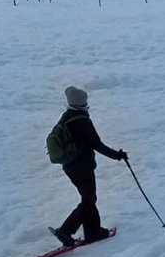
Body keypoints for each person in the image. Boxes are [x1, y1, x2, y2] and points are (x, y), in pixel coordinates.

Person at [49, 85, 125, 247]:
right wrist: (117, 155)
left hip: (69, 165)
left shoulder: (67, 116)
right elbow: (97, 144)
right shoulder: (83, 121)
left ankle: (93, 230)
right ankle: (66, 230)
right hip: (82, 166)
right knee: (89, 199)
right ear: (83, 103)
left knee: (88, 198)